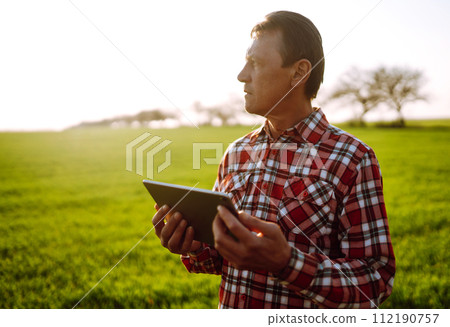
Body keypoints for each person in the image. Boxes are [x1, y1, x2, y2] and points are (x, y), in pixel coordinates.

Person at [152, 11, 395, 309]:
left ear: (299, 72)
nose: (241, 75)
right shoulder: (236, 153)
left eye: (254, 63)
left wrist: (287, 263)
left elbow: (376, 281)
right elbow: (223, 259)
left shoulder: (353, 159)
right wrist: (192, 246)